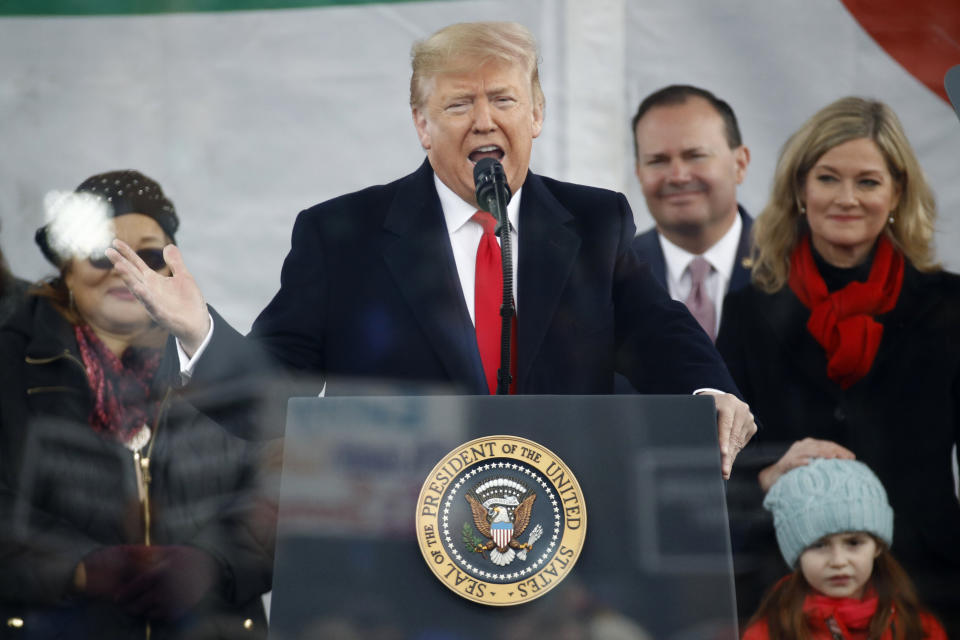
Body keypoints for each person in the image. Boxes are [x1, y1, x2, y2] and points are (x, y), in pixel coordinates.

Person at [105, 22, 757, 479]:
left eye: (503, 98)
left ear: (536, 114)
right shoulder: (343, 235)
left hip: (567, 551)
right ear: (421, 123)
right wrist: (199, 332)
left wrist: (710, 391)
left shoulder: (592, 220)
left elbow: (657, 328)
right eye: (457, 103)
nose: (483, 120)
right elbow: (275, 397)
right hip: (395, 559)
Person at [716, 97, 960, 635]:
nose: (846, 198)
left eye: (868, 182)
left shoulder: (950, 307)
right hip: (782, 598)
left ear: (897, 192)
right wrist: (767, 475)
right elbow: (720, 466)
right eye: (828, 178)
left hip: (928, 591)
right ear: (801, 190)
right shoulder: (748, 311)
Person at [0, 170, 276, 639]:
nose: (123, 267)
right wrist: (79, 568)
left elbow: (288, 490)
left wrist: (211, 564)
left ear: (170, 267)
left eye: (147, 252)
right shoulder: (9, 359)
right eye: (100, 251)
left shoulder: (218, 355)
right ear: (65, 265)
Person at [742, 458, 946, 640]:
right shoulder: (772, 631)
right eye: (818, 545)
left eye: (854, 543)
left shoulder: (917, 628)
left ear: (877, 547)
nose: (838, 561)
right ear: (796, 552)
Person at [631, 85, 752, 341]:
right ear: (639, 173)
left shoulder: (793, 265)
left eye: (696, 156)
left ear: (739, 164)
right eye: (657, 161)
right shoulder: (609, 276)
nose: (678, 176)